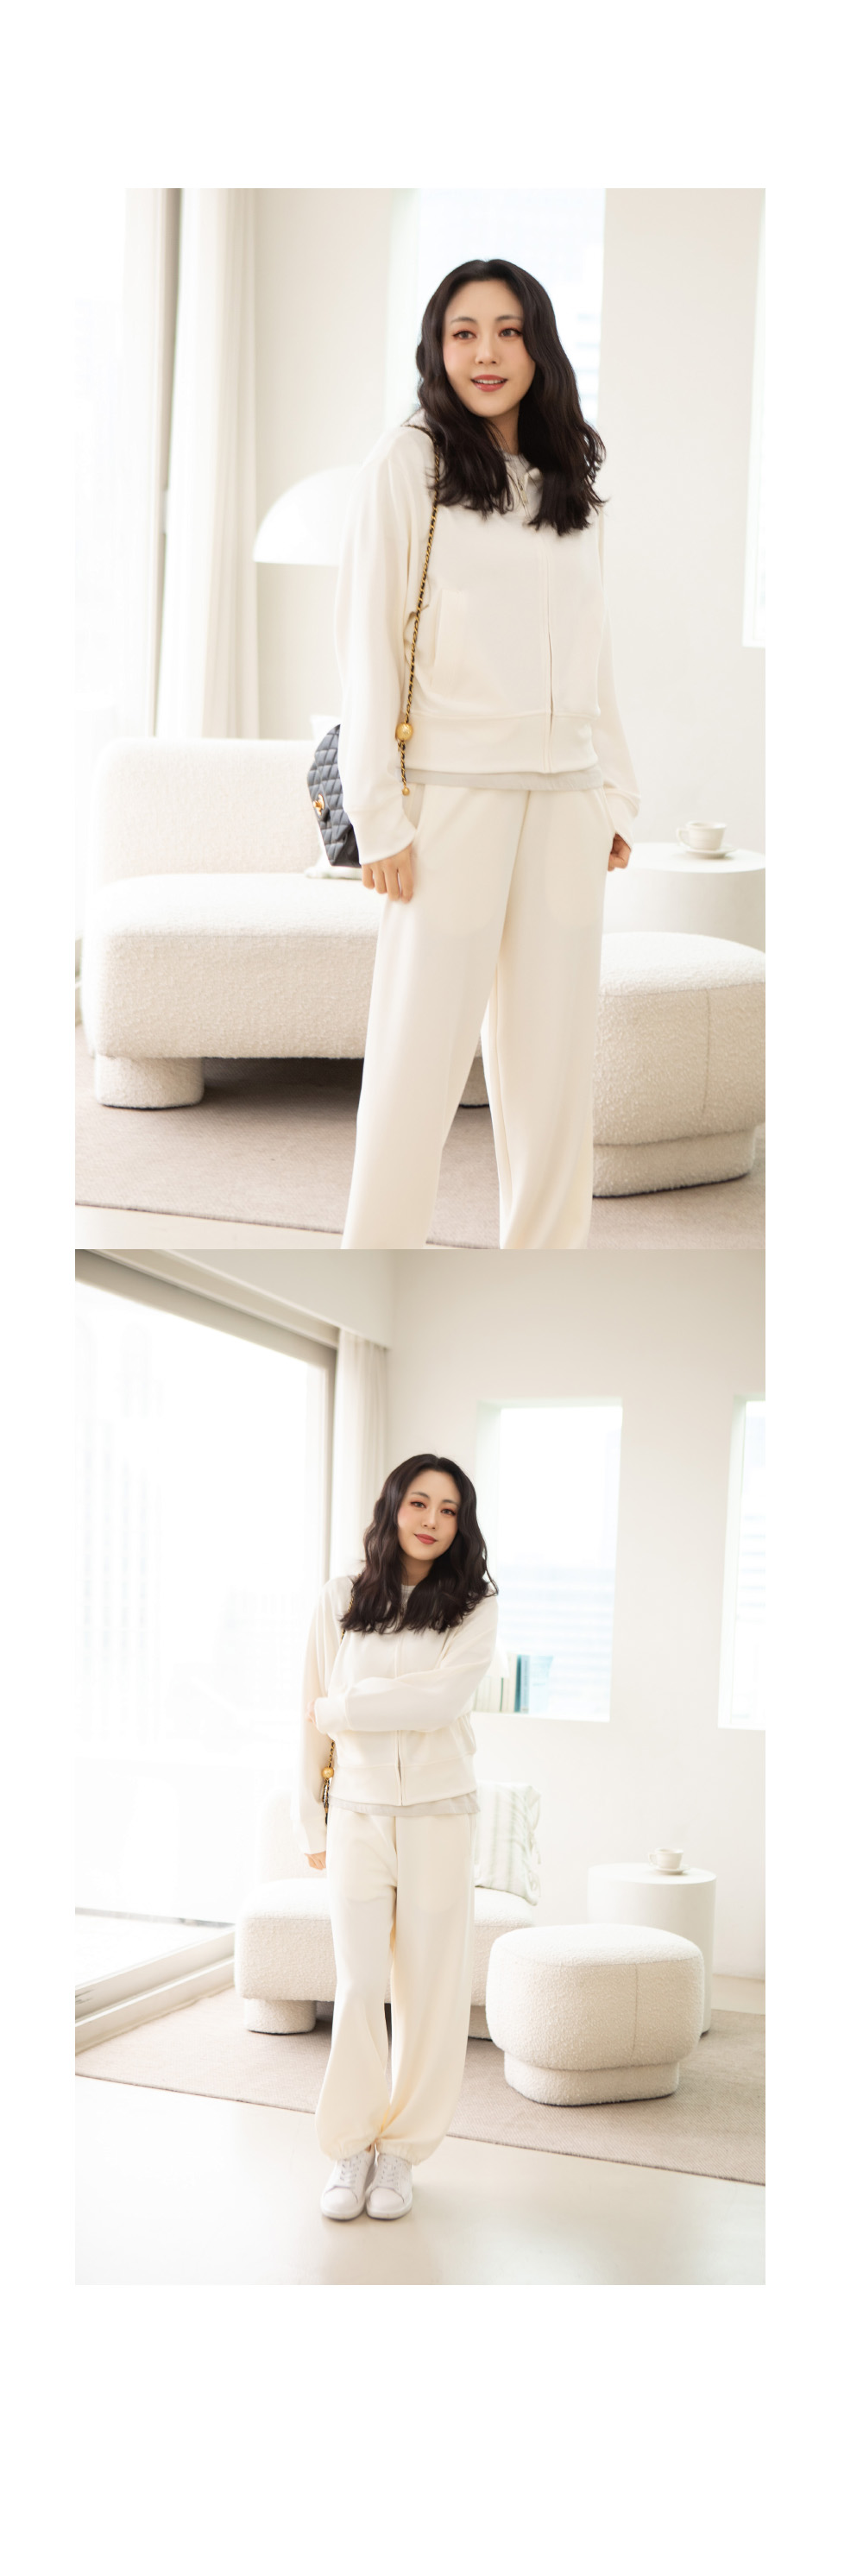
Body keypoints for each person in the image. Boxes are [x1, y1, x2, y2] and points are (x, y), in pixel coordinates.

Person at [335, 256, 638, 1247]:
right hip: (450, 798)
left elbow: (596, 646)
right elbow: (367, 644)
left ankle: (543, 1278)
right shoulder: (407, 462)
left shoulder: (568, 477)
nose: (486, 352)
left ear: (538, 343)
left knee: (553, 1072)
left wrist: (614, 791)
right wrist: (377, 813)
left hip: (566, 799)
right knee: (417, 1063)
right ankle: (375, 1271)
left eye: (508, 330)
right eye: (464, 331)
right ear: (437, 345)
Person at [300, 1450, 499, 2219]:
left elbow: (440, 1701)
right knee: (358, 1986)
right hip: (356, 1811)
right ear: (393, 1507)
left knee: (430, 1992)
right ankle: (350, 2146)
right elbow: (307, 1712)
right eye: (420, 1503)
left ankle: (401, 2153)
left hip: (441, 1814)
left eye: (449, 1510)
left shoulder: (474, 1603)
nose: (432, 1521)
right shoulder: (340, 1598)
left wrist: (347, 1709)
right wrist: (309, 1815)